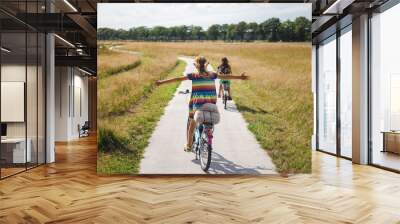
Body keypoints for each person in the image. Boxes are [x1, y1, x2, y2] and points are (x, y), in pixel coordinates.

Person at [156, 56, 248, 152]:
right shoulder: (212, 75)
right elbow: (226, 77)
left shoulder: (193, 76)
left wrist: (161, 82)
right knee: (208, 118)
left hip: (198, 103)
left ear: (197, 65)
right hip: (211, 102)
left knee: (192, 122)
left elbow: (177, 79)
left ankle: (188, 145)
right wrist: (240, 77)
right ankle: (208, 132)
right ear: (205, 65)